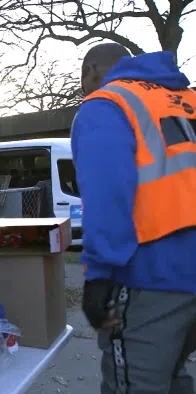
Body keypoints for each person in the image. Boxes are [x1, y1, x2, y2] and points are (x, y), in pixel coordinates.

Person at [72, 43, 196, 393]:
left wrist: (98, 276)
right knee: (173, 374)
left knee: (135, 383)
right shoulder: (187, 100)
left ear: (93, 69)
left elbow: (108, 193)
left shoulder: (107, 104)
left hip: (152, 276)